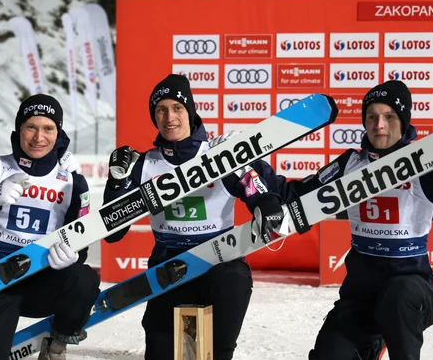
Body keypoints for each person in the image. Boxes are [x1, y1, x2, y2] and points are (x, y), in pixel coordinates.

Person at [303, 80, 433, 360]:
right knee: (329, 354)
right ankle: (372, 344)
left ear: (403, 121)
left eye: (389, 117)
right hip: (360, 296)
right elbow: (302, 194)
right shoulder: (350, 164)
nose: (379, 125)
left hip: (412, 292)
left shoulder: (423, 165)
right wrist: (259, 186)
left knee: (397, 297)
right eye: (371, 117)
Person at [102, 74, 292, 360]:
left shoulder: (218, 154)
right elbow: (113, 233)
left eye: (177, 108)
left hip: (218, 268)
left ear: (190, 111)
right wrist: (117, 183)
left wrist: (266, 202)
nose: (169, 117)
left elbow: (255, 191)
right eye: (161, 110)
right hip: (168, 270)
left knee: (232, 288)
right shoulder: (144, 163)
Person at [0, 94, 97, 360]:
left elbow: (81, 245)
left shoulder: (74, 182)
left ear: (58, 132)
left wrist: (74, 256)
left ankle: (56, 346)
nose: (39, 137)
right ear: (19, 129)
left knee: (84, 280)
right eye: (31, 127)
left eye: (48, 128)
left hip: (43, 280)